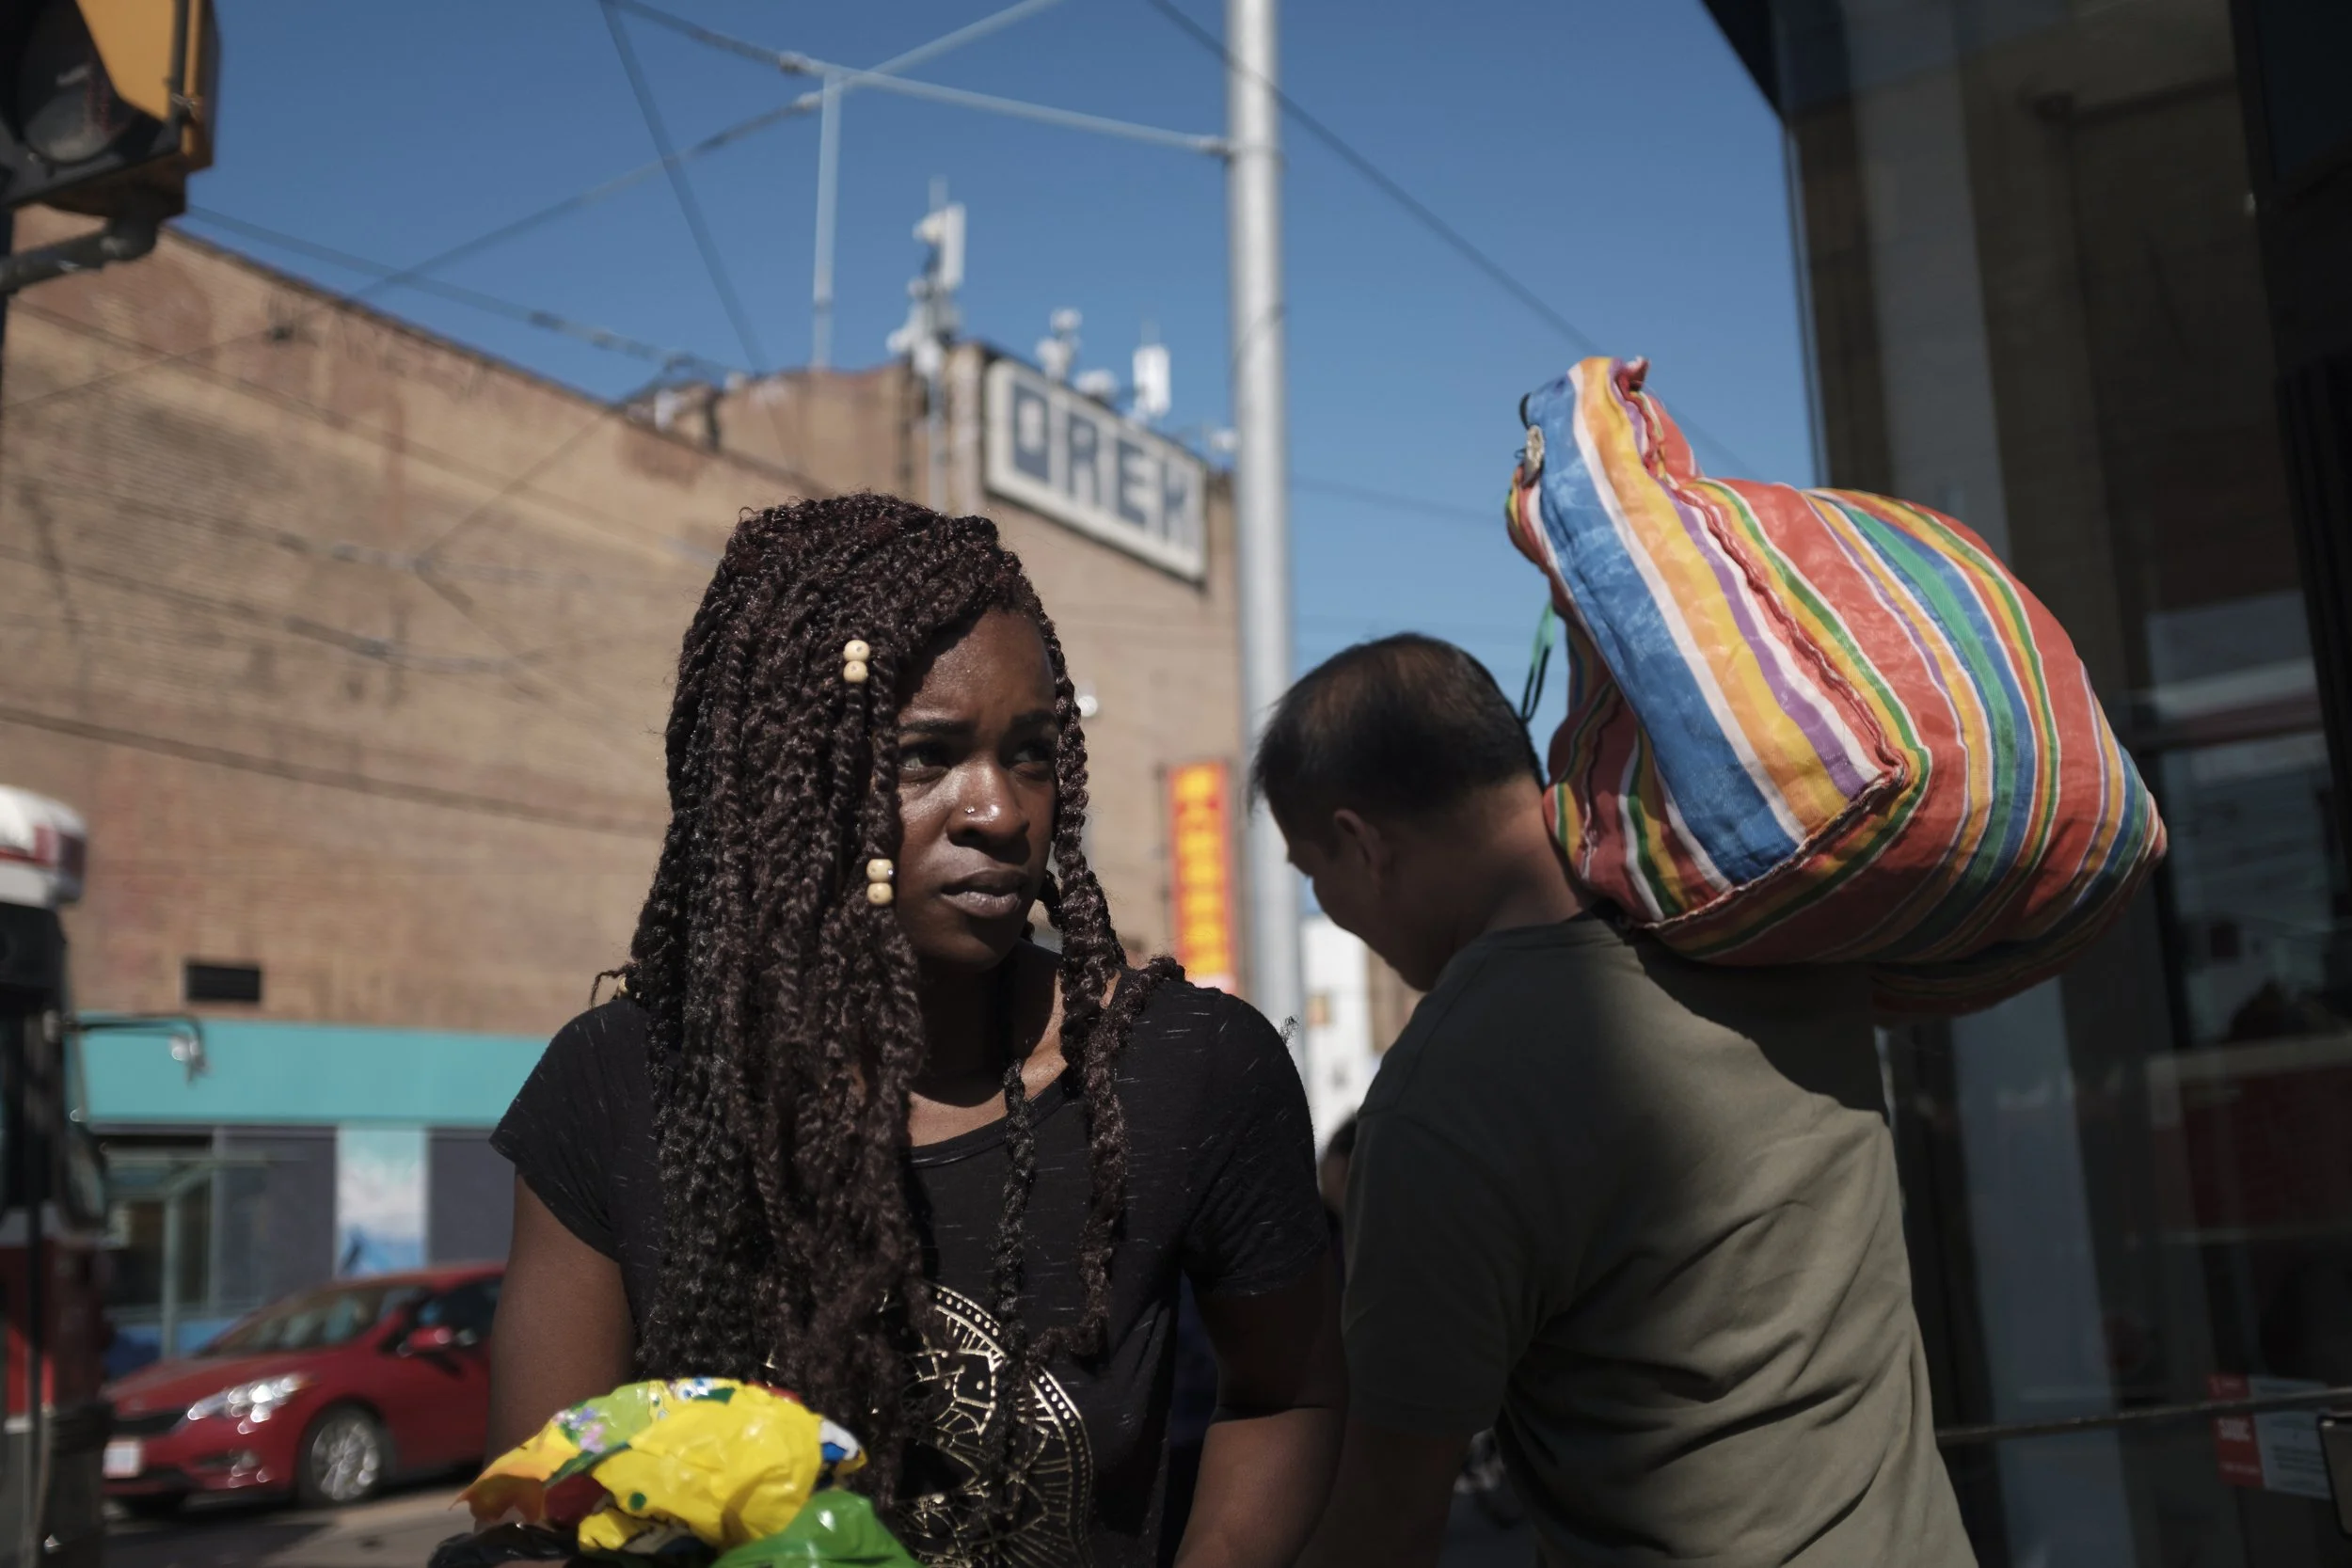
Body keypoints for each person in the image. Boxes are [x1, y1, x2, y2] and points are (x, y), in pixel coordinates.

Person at [487, 496, 1343, 1568]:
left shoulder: (1191, 1066)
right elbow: (542, 1504)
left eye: (1031, 754)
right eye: (925, 756)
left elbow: (1287, 1396)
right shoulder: (621, 1083)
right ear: (787, 779)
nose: (998, 808)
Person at [1261, 634, 1976, 1568]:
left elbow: (1389, 1512)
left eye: (1316, 874)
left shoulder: (1448, 1085)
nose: (1333, 908)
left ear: (1362, 843)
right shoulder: (1773, 933)